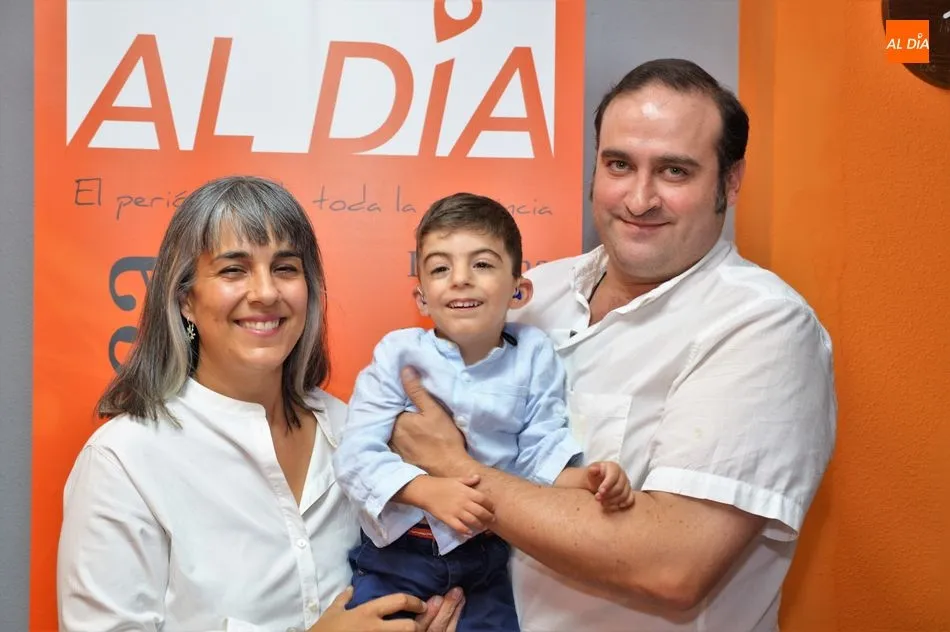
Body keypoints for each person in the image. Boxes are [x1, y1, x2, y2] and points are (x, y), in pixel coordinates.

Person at [388, 59, 838, 632]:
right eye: (619, 164)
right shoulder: (534, 292)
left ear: (730, 181)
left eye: (675, 172)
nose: (639, 198)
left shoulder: (764, 328)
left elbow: (672, 564)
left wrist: (455, 466)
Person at [56, 175, 463, 632]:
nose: (266, 292)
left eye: (286, 268)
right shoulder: (124, 460)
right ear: (186, 298)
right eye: (234, 269)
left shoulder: (355, 431)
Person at [331, 193, 636, 631]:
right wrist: (426, 491)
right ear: (421, 297)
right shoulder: (398, 354)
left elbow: (538, 455)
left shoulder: (535, 356)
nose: (460, 280)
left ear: (519, 289)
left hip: (485, 562)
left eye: (482, 264)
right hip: (396, 556)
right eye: (440, 268)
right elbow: (356, 454)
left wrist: (584, 480)